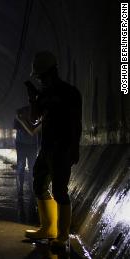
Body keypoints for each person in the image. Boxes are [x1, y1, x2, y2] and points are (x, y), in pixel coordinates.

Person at [21, 51, 82, 248]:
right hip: (46, 148)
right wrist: (33, 98)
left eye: (40, 76)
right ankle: (48, 228)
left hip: (62, 149)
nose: (39, 79)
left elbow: (76, 122)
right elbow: (34, 118)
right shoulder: (44, 94)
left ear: (50, 72)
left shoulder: (69, 92)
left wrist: (74, 148)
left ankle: (62, 235)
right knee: (39, 185)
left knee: (59, 191)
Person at [13, 105, 39, 196]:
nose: (28, 114)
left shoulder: (33, 120)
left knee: (31, 167)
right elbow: (27, 131)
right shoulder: (19, 121)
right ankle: (21, 188)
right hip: (22, 145)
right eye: (26, 112)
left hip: (31, 146)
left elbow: (32, 131)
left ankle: (31, 188)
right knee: (21, 166)